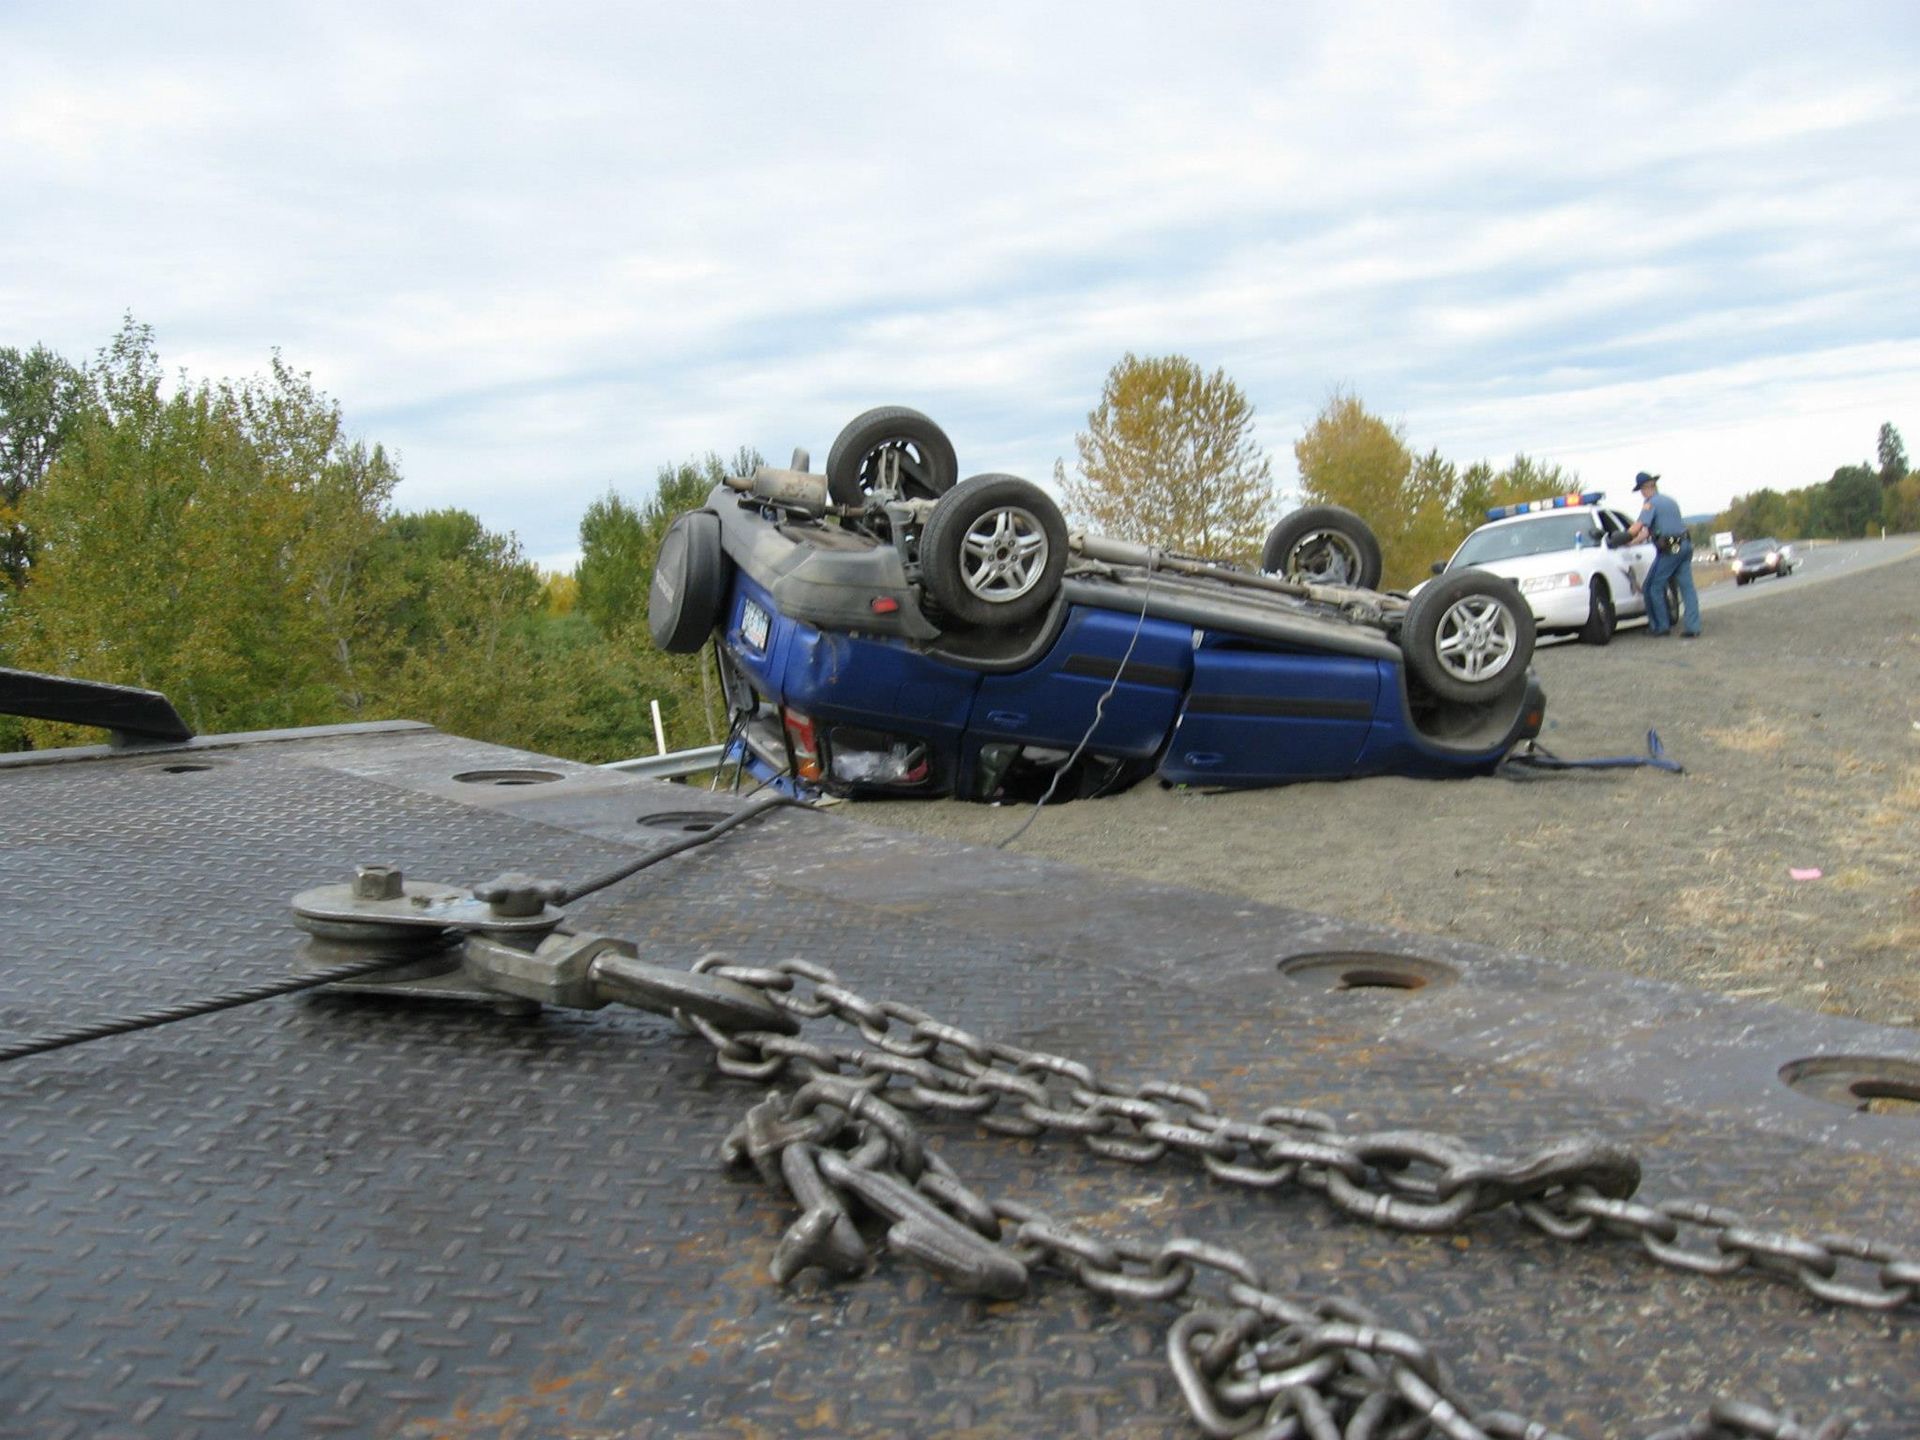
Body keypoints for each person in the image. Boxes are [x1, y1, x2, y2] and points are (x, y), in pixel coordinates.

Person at [1626, 471, 1699, 638]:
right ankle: (1693, 627)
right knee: (1687, 588)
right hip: (1685, 544)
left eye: (1641, 490)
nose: (1642, 494)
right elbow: (1647, 532)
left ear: (1646, 488)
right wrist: (1631, 543)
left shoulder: (1650, 503)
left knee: (1653, 586)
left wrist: (1622, 537)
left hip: (1671, 547)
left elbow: (1638, 526)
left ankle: (1660, 626)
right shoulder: (1670, 501)